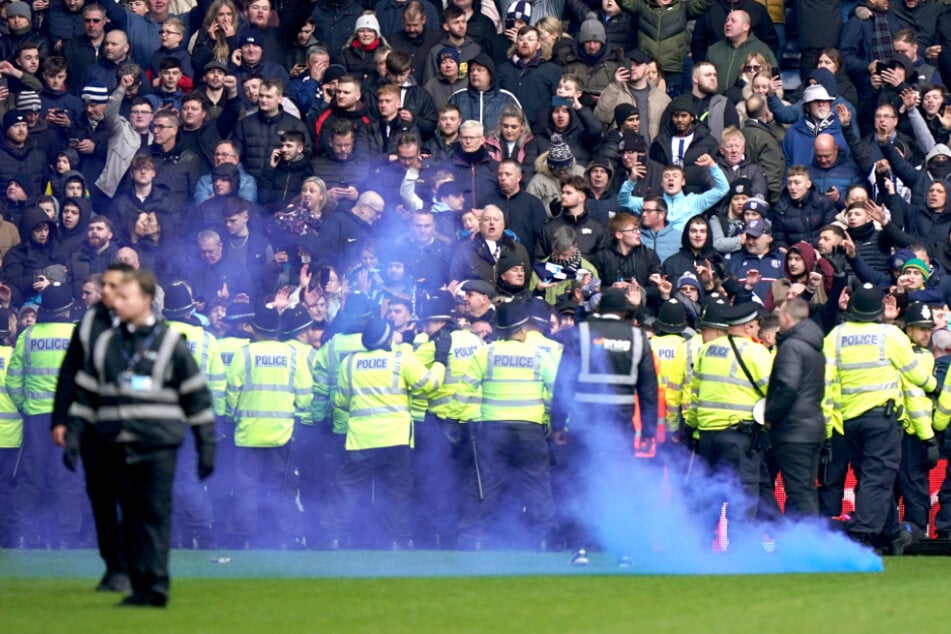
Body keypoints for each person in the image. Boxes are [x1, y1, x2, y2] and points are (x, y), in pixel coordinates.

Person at [69, 269, 216, 607]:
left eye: (125, 297)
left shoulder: (170, 343)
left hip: (158, 442)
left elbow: (196, 396)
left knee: (154, 513)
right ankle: (140, 585)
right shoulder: (106, 342)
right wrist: (76, 432)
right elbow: (88, 393)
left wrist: (206, 444)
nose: (117, 302)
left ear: (147, 300)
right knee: (132, 515)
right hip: (115, 441)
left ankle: (158, 584)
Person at [822, 283, 936, 554]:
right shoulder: (890, 335)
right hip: (881, 421)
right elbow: (913, 373)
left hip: (848, 422)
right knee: (878, 478)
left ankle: (893, 537)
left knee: (870, 477)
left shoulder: (835, 336)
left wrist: (827, 430)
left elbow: (824, 387)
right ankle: (861, 532)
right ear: (878, 309)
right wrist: (935, 387)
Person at [324, 317, 445, 549]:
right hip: (395, 436)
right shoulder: (401, 360)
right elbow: (431, 384)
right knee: (397, 489)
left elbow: (340, 401)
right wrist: (440, 359)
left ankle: (332, 537)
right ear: (389, 338)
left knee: (348, 487)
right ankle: (397, 539)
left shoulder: (350, 363)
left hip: (361, 437)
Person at [452, 300, 560, 549]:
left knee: (485, 485)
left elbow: (464, 389)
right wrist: (548, 420)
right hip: (530, 430)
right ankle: (544, 539)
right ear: (522, 329)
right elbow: (556, 392)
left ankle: (472, 538)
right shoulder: (538, 355)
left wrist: (455, 419)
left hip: (492, 430)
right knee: (537, 485)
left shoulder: (485, 353)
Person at [225, 303, 312, 549]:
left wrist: (232, 415)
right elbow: (305, 397)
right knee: (282, 487)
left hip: (248, 433)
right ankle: (288, 537)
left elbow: (232, 392)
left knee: (246, 488)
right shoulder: (294, 355)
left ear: (254, 328)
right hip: (282, 435)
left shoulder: (244, 354)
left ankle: (244, 538)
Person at [685, 302, 773, 536]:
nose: (757, 331)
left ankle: (698, 551)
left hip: (706, 435)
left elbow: (695, 392)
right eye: (755, 327)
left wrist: (692, 426)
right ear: (747, 327)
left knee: (708, 495)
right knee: (741, 497)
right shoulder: (756, 352)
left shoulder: (707, 350)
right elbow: (773, 393)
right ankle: (739, 553)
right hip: (740, 437)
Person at [763, 297, 825, 518]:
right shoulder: (814, 346)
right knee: (806, 489)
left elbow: (787, 387)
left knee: (799, 492)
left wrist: (769, 415)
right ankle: (809, 542)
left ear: (787, 317)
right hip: (812, 427)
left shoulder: (791, 346)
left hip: (793, 430)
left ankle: (811, 544)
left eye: (780, 315)